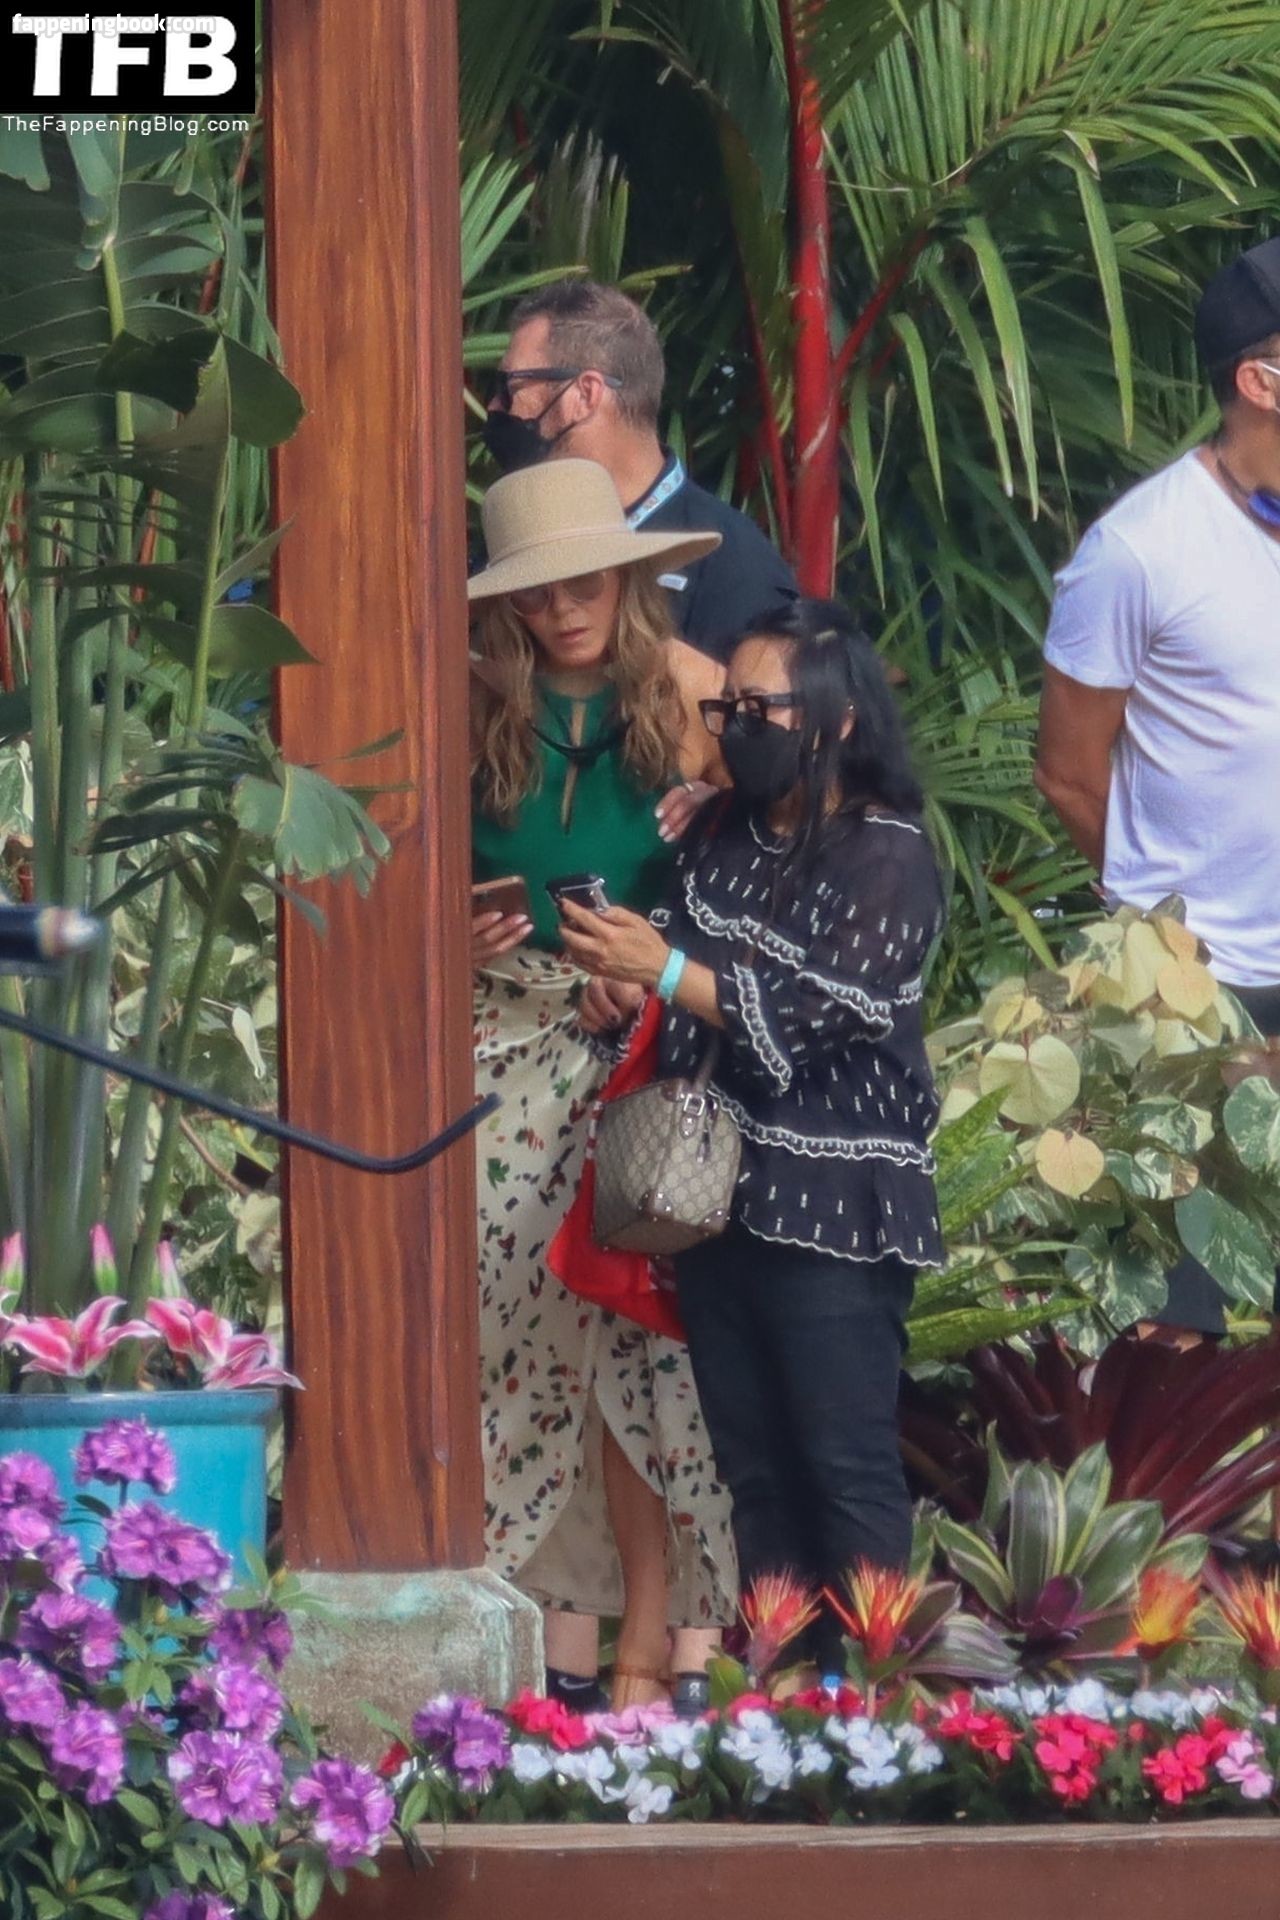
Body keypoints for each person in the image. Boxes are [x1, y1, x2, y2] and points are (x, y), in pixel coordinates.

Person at [561, 598, 944, 1678]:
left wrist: (667, 971)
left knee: (842, 1468)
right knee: (755, 1474)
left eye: (758, 707)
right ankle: (779, 1702)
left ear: (835, 718)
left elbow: (813, 1018)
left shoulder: (889, 857)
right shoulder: (721, 833)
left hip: (834, 1211)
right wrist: (620, 998)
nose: (734, 725)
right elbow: (680, 998)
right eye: (725, 705)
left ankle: (874, 1704)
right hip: (714, 1201)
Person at [468, 456, 737, 1712]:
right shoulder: (467, 699)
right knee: (516, 1335)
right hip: (498, 1040)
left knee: (644, 1343)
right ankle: (546, 1641)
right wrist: (450, 932)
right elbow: (390, 879)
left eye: (584, 582)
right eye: (533, 592)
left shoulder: (691, 690)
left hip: (649, 1048)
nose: (562, 607)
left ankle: (664, 1639)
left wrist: (667, 941)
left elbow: (790, 851)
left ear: (627, 578)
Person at [1036, 233, 1280, 1339]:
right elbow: (1067, 774)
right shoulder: (1138, 550)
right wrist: (1167, 944)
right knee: (1181, 1325)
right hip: (1194, 995)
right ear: (1259, 380)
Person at [481, 278, 797, 663]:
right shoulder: (513, 546)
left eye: (510, 387)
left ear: (585, 394)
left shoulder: (734, 567)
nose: (495, 407)